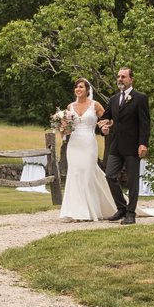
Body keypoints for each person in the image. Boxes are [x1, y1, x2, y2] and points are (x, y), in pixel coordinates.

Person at [59, 78, 118, 222]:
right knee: (74, 174)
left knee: (87, 174)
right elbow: (66, 129)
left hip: (89, 143)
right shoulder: (70, 107)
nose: (78, 89)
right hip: (73, 144)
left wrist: (105, 126)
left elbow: (108, 119)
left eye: (81, 87)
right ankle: (74, 211)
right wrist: (62, 129)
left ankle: (90, 210)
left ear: (87, 90)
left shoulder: (94, 105)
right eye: (76, 87)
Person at [98, 66, 150, 225]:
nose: (120, 79)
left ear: (131, 80)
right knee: (110, 175)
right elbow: (105, 119)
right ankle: (121, 207)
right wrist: (103, 128)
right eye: (119, 77)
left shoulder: (140, 98)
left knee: (132, 181)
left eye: (123, 77)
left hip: (133, 145)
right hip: (116, 145)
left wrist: (143, 143)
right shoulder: (113, 99)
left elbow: (145, 123)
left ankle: (131, 213)